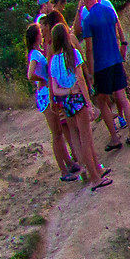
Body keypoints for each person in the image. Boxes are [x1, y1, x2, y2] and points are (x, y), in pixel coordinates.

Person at [44, 20, 107, 191]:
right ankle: (95, 177)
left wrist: (67, 92)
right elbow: (80, 79)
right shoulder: (73, 55)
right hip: (78, 99)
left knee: (75, 137)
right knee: (86, 137)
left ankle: (88, 171)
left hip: (66, 102)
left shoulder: (53, 61)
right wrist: (88, 101)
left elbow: (55, 88)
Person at [75, 0, 130, 150]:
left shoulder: (88, 20)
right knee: (123, 98)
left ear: (85, 0)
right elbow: (118, 31)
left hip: (101, 65)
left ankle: (115, 138)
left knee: (102, 101)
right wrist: (122, 45)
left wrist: (90, 73)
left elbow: (89, 49)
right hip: (116, 60)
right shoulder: (109, 10)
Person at [25, 20, 74, 180]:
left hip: (45, 93)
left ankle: (68, 163)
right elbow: (30, 74)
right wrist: (42, 79)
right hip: (45, 95)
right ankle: (64, 170)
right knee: (57, 134)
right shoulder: (35, 54)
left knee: (58, 132)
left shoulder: (36, 52)